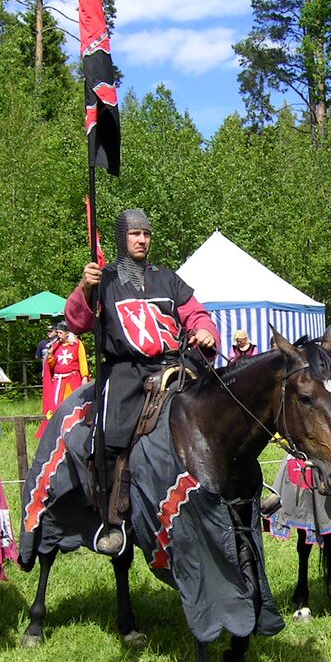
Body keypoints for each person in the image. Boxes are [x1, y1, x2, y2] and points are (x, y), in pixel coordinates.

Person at [65, 207, 219, 554]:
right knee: (110, 433)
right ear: (122, 238)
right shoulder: (104, 280)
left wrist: (205, 330)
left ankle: (237, 490)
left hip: (175, 363)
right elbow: (76, 322)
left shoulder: (167, 279)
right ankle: (112, 517)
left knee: (220, 407)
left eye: (146, 234)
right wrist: (86, 289)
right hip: (127, 370)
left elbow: (196, 313)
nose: (142, 240)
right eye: (135, 234)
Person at [38, 320, 89, 436]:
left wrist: (84, 376)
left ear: (67, 333)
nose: (58, 335)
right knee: (56, 406)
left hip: (73, 380)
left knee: (74, 405)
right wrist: (50, 355)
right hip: (59, 382)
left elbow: (82, 361)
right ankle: (57, 431)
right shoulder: (55, 346)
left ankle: (74, 431)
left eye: (60, 333)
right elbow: (51, 366)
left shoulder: (77, 344)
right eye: (58, 333)